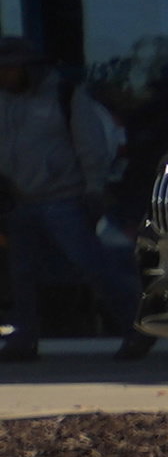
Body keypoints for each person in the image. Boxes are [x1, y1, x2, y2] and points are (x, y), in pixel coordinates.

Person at [0, 41, 140, 363]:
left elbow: (90, 146)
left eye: (10, 68)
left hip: (64, 198)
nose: (5, 76)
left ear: (29, 68)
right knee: (21, 275)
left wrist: (94, 189)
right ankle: (24, 338)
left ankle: (136, 327)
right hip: (19, 199)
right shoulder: (3, 100)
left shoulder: (65, 95)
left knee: (91, 266)